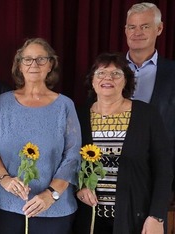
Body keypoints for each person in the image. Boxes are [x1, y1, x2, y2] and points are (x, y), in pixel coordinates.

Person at [0, 38, 81, 234]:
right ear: (19, 65)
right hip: (5, 206)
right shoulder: (3, 103)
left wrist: (51, 194)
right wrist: (4, 179)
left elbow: (72, 157)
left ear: (51, 64)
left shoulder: (65, 106)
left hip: (53, 208)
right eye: (27, 59)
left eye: (40, 59)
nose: (33, 65)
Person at [73, 53, 173, 233]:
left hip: (136, 217)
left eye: (116, 74)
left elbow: (164, 169)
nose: (108, 78)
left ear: (126, 80)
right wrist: (79, 188)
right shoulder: (78, 116)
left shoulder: (146, 114)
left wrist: (157, 216)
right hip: (89, 217)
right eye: (101, 73)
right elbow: (70, 160)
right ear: (93, 81)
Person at [124, 2, 175, 190]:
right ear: (125, 30)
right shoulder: (107, 71)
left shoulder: (172, 73)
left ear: (159, 29)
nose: (137, 33)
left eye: (145, 26)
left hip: (160, 174)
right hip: (112, 169)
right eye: (132, 27)